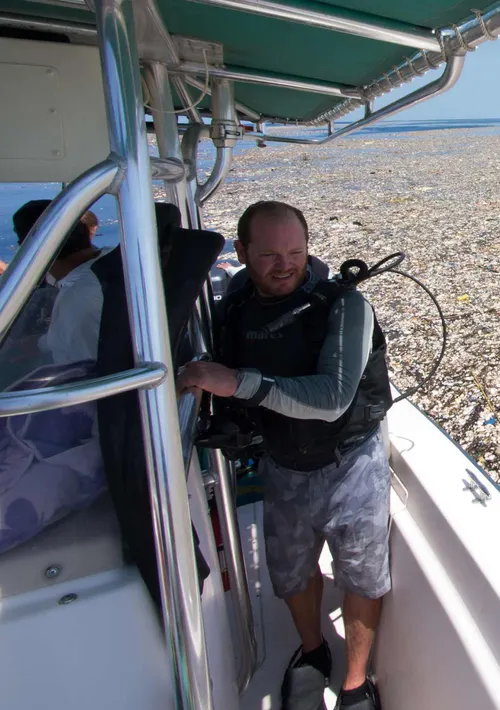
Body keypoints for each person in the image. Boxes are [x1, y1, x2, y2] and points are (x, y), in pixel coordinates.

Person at [177, 201, 392, 710]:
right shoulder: (234, 304)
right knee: (290, 571)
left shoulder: (343, 306)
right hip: (281, 460)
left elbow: (332, 397)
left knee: (362, 572)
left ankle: (356, 681)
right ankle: (313, 651)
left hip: (350, 462)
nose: (284, 264)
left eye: (295, 252)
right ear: (241, 251)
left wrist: (235, 384)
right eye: (269, 254)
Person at [9, 200, 107, 364]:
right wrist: (35, 344)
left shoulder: (76, 299)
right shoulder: (115, 258)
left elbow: (82, 373)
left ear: (28, 248)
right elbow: (62, 336)